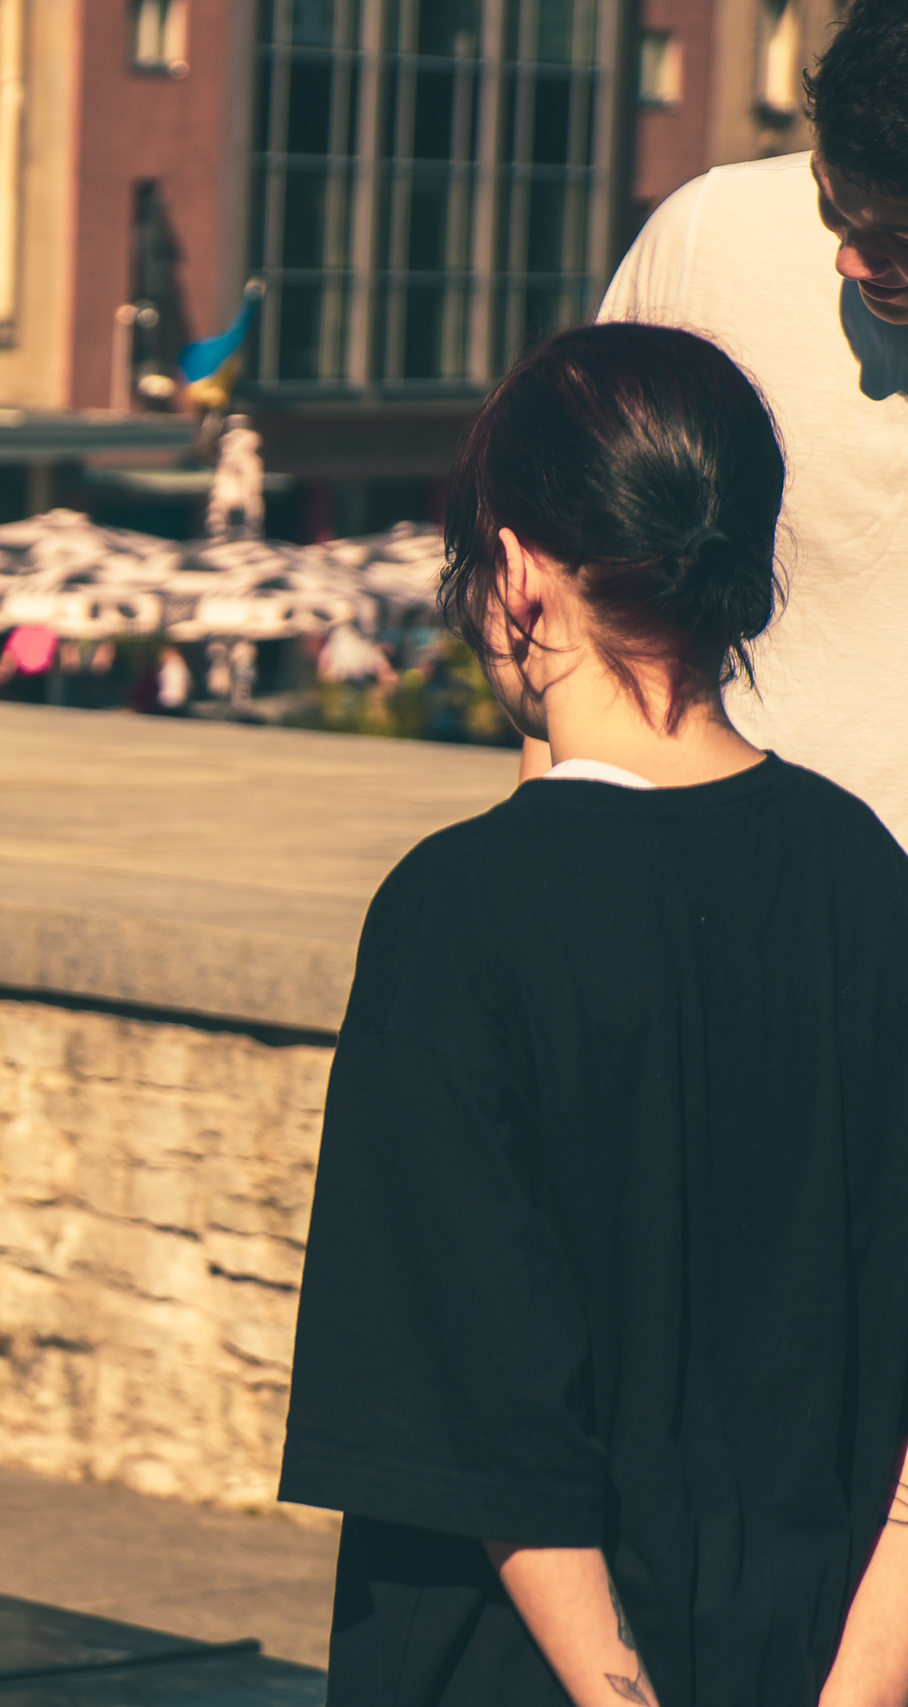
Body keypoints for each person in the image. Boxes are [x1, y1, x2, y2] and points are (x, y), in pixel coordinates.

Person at [280, 322, 908, 1706]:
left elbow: (470, 1392)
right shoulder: (865, 876)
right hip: (819, 1647)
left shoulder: (459, 912)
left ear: (515, 576)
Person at [546, 0, 908, 839]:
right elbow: (574, 561)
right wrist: (551, 826)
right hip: (700, 850)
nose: (849, 259)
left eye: (897, 235)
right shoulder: (707, 237)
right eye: (831, 205)